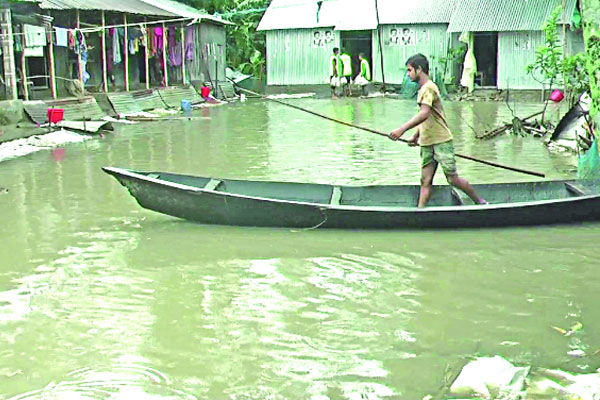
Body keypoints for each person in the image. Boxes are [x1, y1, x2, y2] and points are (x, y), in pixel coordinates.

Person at [389, 54, 487, 208]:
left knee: (452, 179)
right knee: (425, 181)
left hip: (441, 141)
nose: (408, 74)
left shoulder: (428, 88)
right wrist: (415, 136)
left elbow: (424, 113)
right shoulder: (423, 89)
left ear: (419, 69)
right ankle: (420, 211)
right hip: (427, 142)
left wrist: (401, 129)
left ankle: (480, 201)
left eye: (409, 70)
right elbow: (427, 119)